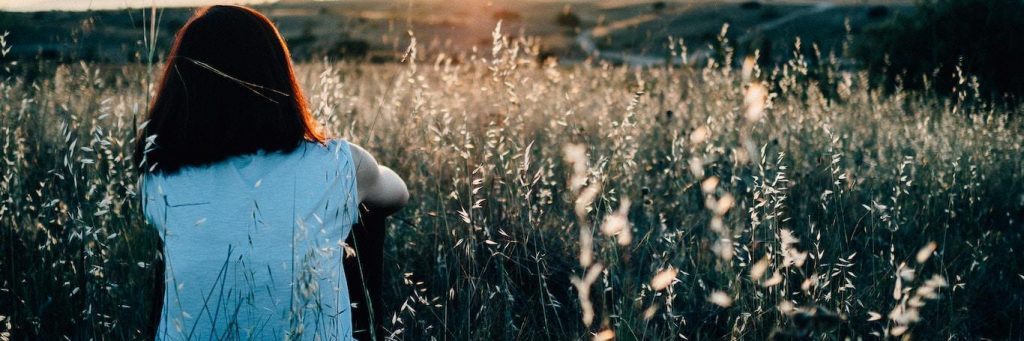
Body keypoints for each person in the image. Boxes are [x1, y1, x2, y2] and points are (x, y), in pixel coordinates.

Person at [135, 5, 408, 340]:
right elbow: (397, 194)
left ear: (182, 86)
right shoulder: (338, 163)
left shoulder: (158, 176)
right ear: (278, 75)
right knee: (363, 214)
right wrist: (365, 177)